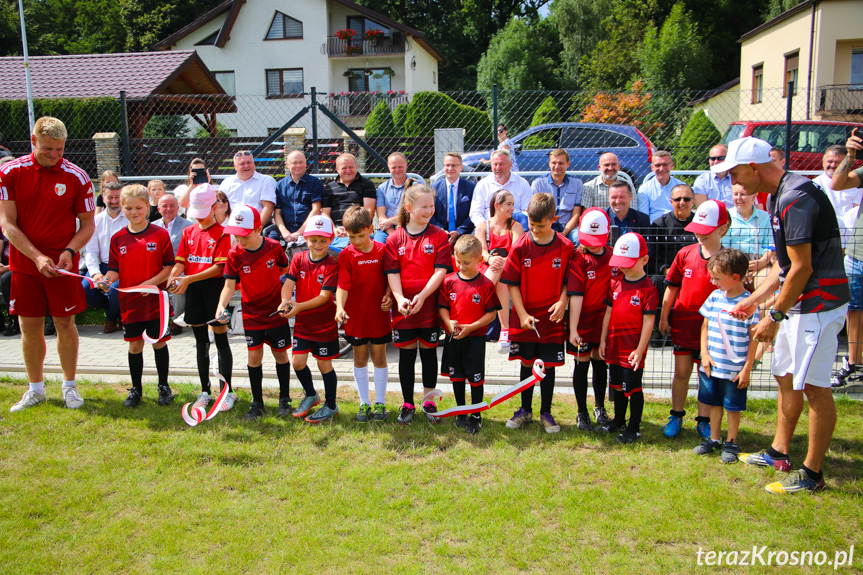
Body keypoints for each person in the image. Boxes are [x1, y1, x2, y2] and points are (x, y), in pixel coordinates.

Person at [721, 136, 850, 494]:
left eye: (734, 174)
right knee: (785, 375)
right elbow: (784, 268)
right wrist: (752, 301)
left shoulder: (796, 197)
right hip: (801, 304)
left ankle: (812, 474)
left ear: (753, 168)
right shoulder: (781, 194)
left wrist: (773, 317)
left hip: (819, 306)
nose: (732, 182)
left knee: (814, 386)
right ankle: (779, 452)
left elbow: (802, 269)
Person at [1, 116, 96, 412]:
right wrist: (36, 256)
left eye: (59, 149)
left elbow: (88, 225)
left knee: (66, 324)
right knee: (29, 326)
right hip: (25, 265)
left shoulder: (77, 176)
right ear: (33, 141)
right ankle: (36, 390)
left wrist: (69, 250)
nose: (55, 155)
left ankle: (69, 386)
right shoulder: (9, 172)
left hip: (63, 265)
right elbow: (7, 223)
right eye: (47, 149)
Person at [501, 193, 574, 433]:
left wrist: (563, 301)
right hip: (525, 318)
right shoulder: (521, 245)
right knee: (526, 364)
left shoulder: (565, 246)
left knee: (548, 366)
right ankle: (524, 410)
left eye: (540, 226)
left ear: (554, 219)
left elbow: (568, 281)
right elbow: (511, 283)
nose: (535, 230)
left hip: (551, 319)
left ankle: (546, 413)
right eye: (531, 225)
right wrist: (521, 314)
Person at [659, 200, 730, 440]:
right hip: (683, 324)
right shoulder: (685, 254)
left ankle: (704, 421)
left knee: (707, 375)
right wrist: (663, 316)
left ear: (722, 228)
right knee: (681, 372)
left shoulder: (728, 260)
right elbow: (671, 288)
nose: (700, 234)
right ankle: (676, 415)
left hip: (712, 331)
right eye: (697, 229)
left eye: (706, 229)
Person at [101, 184, 175, 408]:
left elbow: (169, 267)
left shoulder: (160, 234)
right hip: (130, 302)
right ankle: (136, 389)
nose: (134, 212)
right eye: (128, 208)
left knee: (159, 343)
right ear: (122, 208)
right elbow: (114, 269)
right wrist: (106, 280)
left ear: (147, 208)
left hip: (155, 301)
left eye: (139, 208)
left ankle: (163, 386)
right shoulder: (117, 239)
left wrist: (150, 284)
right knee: (134, 346)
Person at [217, 205, 293, 420]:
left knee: (280, 355)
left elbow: (284, 269)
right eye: (236, 235)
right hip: (251, 315)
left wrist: (279, 294)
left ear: (258, 229)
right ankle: (257, 402)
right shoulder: (234, 254)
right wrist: (221, 306)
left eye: (244, 235)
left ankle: (284, 399)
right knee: (254, 357)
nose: (240, 240)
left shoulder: (273, 247)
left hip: (275, 312)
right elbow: (229, 286)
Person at [384, 184, 452, 425]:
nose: (429, 210)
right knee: (406, 354)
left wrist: (423, 296)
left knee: (429, 352)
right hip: (404, 308)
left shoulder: (439, 236)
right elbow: (392, 273)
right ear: (409, 208)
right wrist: (400, 298)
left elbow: (441, 270)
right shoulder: (394, 239)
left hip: (429, 304)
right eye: (424, 206)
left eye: (432, 206)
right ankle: (407, 403)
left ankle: (429, 401)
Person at [167, 184, 235, 411]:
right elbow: (180, 262)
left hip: (214, 292)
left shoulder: (223, 234)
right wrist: (174, 276)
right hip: (194, 291)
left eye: (203, 211)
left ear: (215, 207)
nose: (198, 217)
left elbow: (218, 269)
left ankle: (227, 391)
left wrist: (187, 279)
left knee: (221, 340)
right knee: (200, 343)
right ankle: (204, 391)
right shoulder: (188, 231)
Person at [694, 249, 760, 463]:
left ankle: (731, 441)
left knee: (732, 406)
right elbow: (705, 325)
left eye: (717, 278)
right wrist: (704, 353)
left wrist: (747, 368)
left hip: (735, 370)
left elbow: (754, 338)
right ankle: (714, 439)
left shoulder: (750, 303)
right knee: (714, 402)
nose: (713, 282)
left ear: (735, 277)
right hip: (712, 366)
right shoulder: (714, 297)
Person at [279, 214, 340, 423]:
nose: (318, 244)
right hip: (303, 324)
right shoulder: (298, 258)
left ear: (330, 240)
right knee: (297, 362)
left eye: (323, 240)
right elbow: (288, 284)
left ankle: (331, 406)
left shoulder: (331, 265)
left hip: (324, 324)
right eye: (313, 240)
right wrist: (285, 301)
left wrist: (298, 307)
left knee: (324, 366)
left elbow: (324, 298)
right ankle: (311, 394)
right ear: (306, 239)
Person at [335, 205, 394, 422]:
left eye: (361, 235)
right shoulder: (346, 255)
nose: (357, 241)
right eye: (352, 237)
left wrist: (389, 295)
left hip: (378, 315)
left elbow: (391, 278)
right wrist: (340, 307)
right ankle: (364, 403)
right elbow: (343, 285)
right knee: (360, 358)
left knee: (379, 357)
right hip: (355, 317)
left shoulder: (383, 250)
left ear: (371, 229)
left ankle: (380, 402)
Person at [438, 234, 500, 435]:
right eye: (458, 261)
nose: (461, 266)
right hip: (454, 338)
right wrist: (448, 322)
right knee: (456, 377)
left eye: (467, 262)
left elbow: (491, 314)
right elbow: (443, 308)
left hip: (474, 339)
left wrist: (471, 327)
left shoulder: (485, 284)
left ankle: (476, 414)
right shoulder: (448, 282)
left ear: (479, 261)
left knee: (475, 379)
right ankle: (460, 412)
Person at [598, 232, 657, 443]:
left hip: (633, 348)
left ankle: (634, 427)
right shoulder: (615, 283)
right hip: (614, 344)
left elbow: (649, 322)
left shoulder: (648, 289)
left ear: (644, 260)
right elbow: (608, 313)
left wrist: (640, 350)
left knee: (632, 388)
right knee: (616, 385)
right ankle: (619, 421)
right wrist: (604, 339)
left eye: (629, 263)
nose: (624, 267)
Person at [567, 208, 614, 431]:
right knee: (581, 364)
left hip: (604, 321)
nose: (594, 244)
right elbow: (575, 296)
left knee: (600, 362)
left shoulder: (614, 256)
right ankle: (581, 411)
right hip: (583, 320)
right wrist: (573, 328)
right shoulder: (579, 257)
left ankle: (599, 407)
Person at [830, 127, 863, 387]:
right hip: (858, 254)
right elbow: (837, 184)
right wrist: (850, 155)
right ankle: (855, 365)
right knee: (855, 312)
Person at [476, 190, 524, 350]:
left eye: (513, 204)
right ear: (497, 205)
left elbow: (515, 253)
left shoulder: (516, 227)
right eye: (508, 204)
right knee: (501, 281)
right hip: (487, 267)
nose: (512, 208)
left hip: (508, 267)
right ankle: (505, 329)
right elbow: (481, 251)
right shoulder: (483, 226)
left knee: (502, 278)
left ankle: (480, 296)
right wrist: (491, 259)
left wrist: (502, 262)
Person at [649, 184, 697, 324]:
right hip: (667, 271)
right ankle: (659, 327)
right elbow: (654, 255)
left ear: (693, 201)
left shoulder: (700, 223)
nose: (682, 203)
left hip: (694, 271)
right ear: (671, 202)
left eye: (686, 199)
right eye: (678, 199)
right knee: (657, 280)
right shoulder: (659, 224)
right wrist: (666, 270)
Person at [82, 181, 125, 334]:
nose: (114, 201)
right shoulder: (95, 221)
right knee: (84, 290)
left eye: (117, 197)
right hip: (103, 266)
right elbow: (91, 251)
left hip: (124, 267)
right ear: (103, 197)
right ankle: (117, 308)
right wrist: (96, 274)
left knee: (114, 290)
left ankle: (112, 318)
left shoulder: (130, 218)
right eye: (110, 197)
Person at [152, 193, 193, 335]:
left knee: (176, 287)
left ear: (178, 207)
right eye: (165, 206)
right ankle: (154, 320)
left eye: (172, 205)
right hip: (157, 270)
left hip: (179, 269)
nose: (168, 209)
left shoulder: (188, 227)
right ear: (158, 208)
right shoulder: (152, 227)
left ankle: (176, 320)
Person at [322, 153, 377, 250]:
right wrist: (334, 229)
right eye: (344, 168)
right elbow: (325, 214)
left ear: (356, 167)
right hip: (337, 231)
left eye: (351, 167)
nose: (348, 171)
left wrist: (351, 230)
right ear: (337, 169)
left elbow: (369, 213)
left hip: (360, 230)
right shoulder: (329, 188)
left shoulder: (367, 184)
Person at [721, 183, 772, 285]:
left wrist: (763, 262)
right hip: (733, 264)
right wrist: (739, 269)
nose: (739, 198)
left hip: (759, 263)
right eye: (735, 194)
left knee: (766, 281)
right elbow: (723, 248)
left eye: (743, 194)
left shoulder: (765, 217)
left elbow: (771, 244)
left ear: (753, 196)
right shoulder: (726, 216)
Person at [469, 149, 532, 230]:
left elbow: (527, 211)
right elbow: (475, 213)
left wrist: (511, 226)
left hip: (514, 229)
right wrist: (486, 228)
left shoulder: (522, 184)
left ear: (510, 165)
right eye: (495, 164)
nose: (498, 168)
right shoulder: (482, 184)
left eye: (502, 164)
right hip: (488, 228)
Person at [530, 149, 583, 242]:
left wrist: (564, 233)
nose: (557, 166)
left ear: (568, 164)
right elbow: (536, 212)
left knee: (578, 239)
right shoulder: (538, 183)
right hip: (545, 226)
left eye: (561, 163)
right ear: (549, 163)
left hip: (568, 227)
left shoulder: (577, 183)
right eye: (554, 163)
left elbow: (576, 214)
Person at [270, 150, 324, 242]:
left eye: (301, 162)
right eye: (294, 163)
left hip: (309, 227)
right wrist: (284, 231)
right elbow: (277, 212)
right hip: (285, 228)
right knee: (271, 240)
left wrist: (300, 232)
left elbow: (316, 210)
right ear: (287, 165)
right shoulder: (280, 185)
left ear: (306, 163)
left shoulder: (315, 183)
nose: (298, 165)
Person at [375, 152, 425, 243]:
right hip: (387, 230)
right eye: (394, 167)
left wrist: (389, 221)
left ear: (406, 165)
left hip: (410, 227)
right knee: (378, 247)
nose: (397, 169)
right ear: (388, 167)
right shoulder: (382, 188)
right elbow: (381, 216)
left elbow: (414, 214)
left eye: (400, 166)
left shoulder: (416, 186)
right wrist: (393, 234)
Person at [218, 151, 276, 226]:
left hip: (258, 226)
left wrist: (256, 230)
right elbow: (220, 208)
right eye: (242, 164)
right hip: (233, 226)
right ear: (235, 166)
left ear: (254, 164)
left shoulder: (265, 181)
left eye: (249, 162)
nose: (246, 166)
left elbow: (268, 207)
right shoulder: (226, 183)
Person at [430, 152, 476, 247]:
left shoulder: (471, 188)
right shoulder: (433, 188)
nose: (450, 169)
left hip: (464, 232)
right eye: (447, 165)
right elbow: (430, 213)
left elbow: (474, 213)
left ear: (461, 167)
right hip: (439, 231)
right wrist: (441, 230)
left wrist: (458, 232)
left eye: (454, 165)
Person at [814, 144, 862, 219]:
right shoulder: (815, 184)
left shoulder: (856, 184)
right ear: (823, 162)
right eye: (830, 161)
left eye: (838, 162)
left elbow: (858, 209)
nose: (833, 165)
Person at [637, 151, 685, 223]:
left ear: (671, 166)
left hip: (676, 226)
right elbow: (644, 217)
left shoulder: (682, 187)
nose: (661, 169)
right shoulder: (644, 189)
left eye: (665, 165)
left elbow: (684, 213)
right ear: (652, 167)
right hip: (653, 228)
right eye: (658, 165)